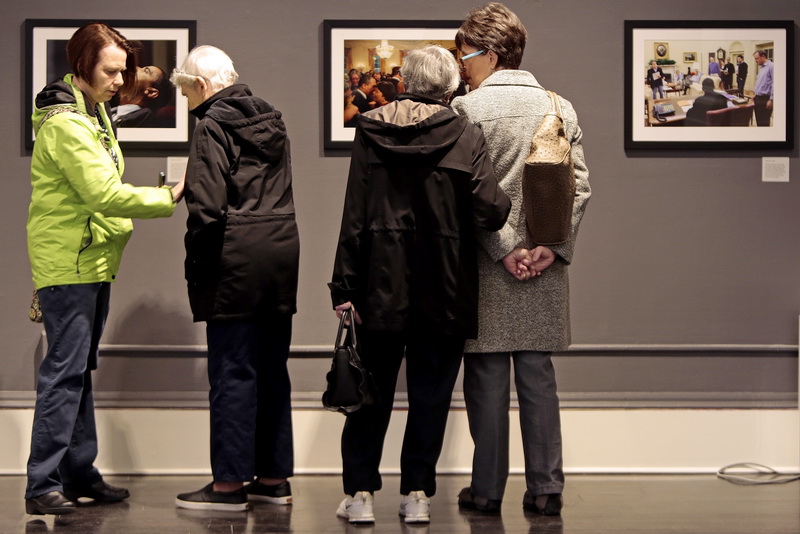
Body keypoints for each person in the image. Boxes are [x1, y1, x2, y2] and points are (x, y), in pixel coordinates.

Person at [329, 45, 511, 525]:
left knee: (371, 394)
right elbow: (492, 211)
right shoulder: (465, 134)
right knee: (430, 395)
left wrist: (343, 287)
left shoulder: (369, 128)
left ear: (406, 80)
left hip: (377, 284)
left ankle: (361, 494)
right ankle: (416, 495)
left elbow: (355, 212)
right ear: (451, 87)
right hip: (445, 284)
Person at [25, 22, 184, 516]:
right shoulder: (68, 124)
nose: (120, 81)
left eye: (124, 71)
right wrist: (168, 196)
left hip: (89, 257)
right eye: (111, 71)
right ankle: (40, 485)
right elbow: (103, 193)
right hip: (70, 260)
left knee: (77, 371)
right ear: (82, 67)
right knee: (64, 374)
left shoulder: (90, 112)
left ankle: (78, 474)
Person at [452, 2, 591, 517]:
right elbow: (579, 188)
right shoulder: (559, 106)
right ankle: (547, 489)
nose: (461, 64)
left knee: (485, 379)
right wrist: (548, 249)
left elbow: (464, 195)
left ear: (488, 54)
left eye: (465, 54)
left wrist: (504, 248)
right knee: (538, 377)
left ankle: (487, 490)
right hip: (543, 266)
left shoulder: (467, 112)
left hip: (488, 268)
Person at [169, 45, 299, 512]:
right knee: (271, 370)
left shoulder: (210, 125)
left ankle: (227, 486)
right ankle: (273, 478)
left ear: (201, 86)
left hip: (235, 259)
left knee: (232, 372)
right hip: (281, 255)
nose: (187, 103)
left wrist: (198, 265)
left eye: (186, 93)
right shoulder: (272, 119)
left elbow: (207, 207)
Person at [752, 50, 773, 127]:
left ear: (763, 56)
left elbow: (775, 84)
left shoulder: (771, 66)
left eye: (757, 58)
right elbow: (761, 83)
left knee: (764, 123)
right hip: (758, 98)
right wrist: (755, 94)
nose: (756, 61)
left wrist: (771, 99)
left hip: (765, 99)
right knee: (759, 122)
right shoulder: (762, 68)